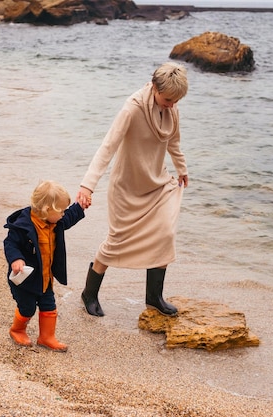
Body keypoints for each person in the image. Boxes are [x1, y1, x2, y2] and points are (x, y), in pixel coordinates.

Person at [76, 61, 189, 317]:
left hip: (157, 183)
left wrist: (181, 168)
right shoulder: (133, 108)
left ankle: (154, 297)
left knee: (165, 234)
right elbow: (108, 147)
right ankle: (89, 293)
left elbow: (174, 141)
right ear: (155, 87)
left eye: (176, 101)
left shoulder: (172, 108)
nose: (172, 105)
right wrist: (87, 185)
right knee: (115, 243)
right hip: (126, 189)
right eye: (168, 99)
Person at [4, 180, 90, 351]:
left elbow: (70, 217)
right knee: (27, 308)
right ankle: (17, 329)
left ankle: (46, 337)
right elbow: (10, 243)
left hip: (45, 278)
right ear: (47, 210)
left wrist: (80, 206)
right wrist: (16, 259)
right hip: (25, 280)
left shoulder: (55, 222)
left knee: (49, 306)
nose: (64, 214)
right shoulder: (23, 226)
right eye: (61, 211)